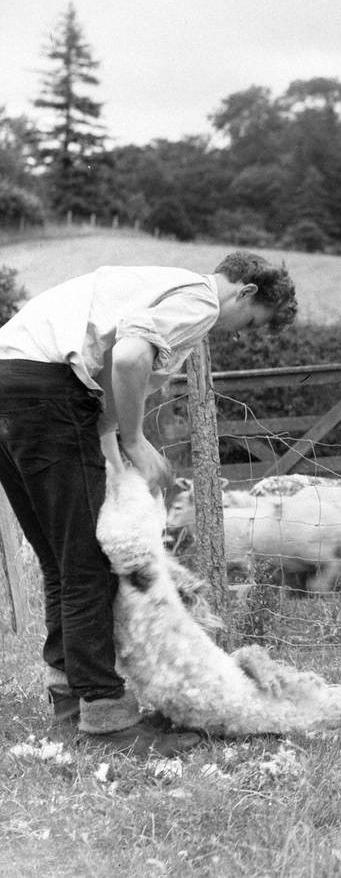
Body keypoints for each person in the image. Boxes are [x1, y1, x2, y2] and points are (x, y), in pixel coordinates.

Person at [0, 251, 298, 757]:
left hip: (11, 383)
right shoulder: (200, 301)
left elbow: (109, 379)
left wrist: (116, 452)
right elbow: (130, 358)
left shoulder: (154, 284)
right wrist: (137, 441)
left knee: (60, 559)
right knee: (87, 562)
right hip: (48, 393)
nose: (238, 332)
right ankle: (106, 716)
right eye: (250, 322)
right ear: (244, 292)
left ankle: (69, 700)